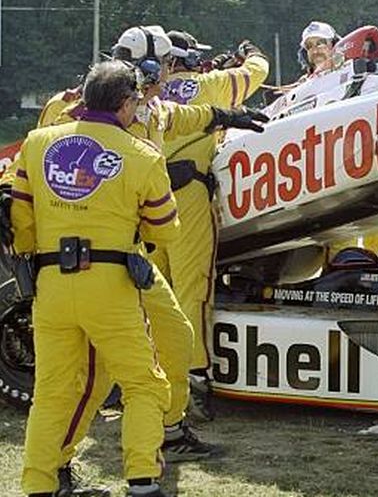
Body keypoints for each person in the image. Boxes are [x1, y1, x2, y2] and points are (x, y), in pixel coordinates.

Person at [13, 60, 179, 497]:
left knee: (50, 392)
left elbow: (20, 223)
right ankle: (142, 480)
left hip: (48, 284)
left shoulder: (36, 143)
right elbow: (165, 229)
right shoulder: (141, 155)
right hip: (110, 284)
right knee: (144, 383)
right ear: (126, 103)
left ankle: (38, 485)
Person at [153, 29, 269, 421]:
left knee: (151, 295)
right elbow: (258, 70)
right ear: (188, 60)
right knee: (192, 292)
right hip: (187, 195)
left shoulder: (142, 95)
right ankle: (194, 380)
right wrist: (247, 49)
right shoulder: (211, 85)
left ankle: (147, 382)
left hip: (146, 198)